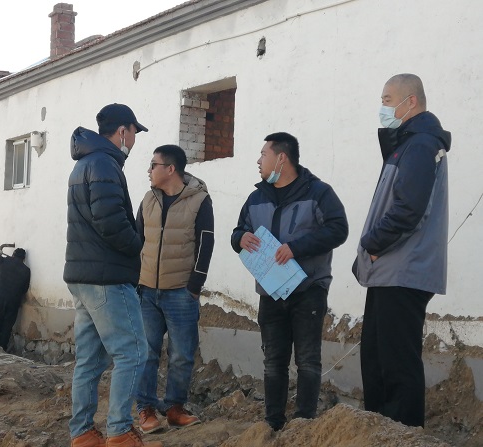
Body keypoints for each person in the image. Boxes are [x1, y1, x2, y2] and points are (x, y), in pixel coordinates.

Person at [231, 132, 348, 431]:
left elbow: (338, 229)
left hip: (308, 290)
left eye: (264, 154)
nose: (259, 161)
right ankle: (273, 424)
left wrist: (297, 248)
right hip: (270, 293)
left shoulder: (318, 193)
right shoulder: (256, 198)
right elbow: (239, 231)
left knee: (307, 360)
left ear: (281, 158)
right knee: (273, 361)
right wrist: (239, 238)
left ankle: (303, 424)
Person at [352, 74, 451, 428]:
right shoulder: (406, 144)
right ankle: (382, 433)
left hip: (403, 270)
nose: (383, 107)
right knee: (377, 361)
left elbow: (409, 209)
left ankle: (403, 436)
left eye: (387, 99)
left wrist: (372, 244)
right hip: (390, 271)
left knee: (397, 366)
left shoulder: (421, 144)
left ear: (411, 102)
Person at [63, 104, 162, 447]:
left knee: (90, 360)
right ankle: (119, 431)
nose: (133, 140)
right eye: (134, 133)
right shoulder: (104, 164)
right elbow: (110, 221)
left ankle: (83, 432)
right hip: (107, 277)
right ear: (122, 131)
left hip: (84, 275)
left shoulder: (84, 163)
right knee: (133, 351)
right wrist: (136, 245)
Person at [135, 145, 215, 434]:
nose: (149, 170)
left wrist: (194, 286)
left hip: (181, 292)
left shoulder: (199, 200)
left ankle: (174, 408)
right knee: (146, 353)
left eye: (153, 165)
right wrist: (135, 282)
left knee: (181, 354)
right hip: (147, 292)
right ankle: (145, 409)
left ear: (170, 169)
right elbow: (136, 240)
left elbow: (206, 243)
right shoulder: (148, 199)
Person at [0, 247, 31, 351]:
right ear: (23, 259)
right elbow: (25, 289)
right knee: (7, 326)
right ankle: (2, 348)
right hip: (14, 301)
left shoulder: (5, 261)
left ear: (13, 255)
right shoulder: (26, 270)